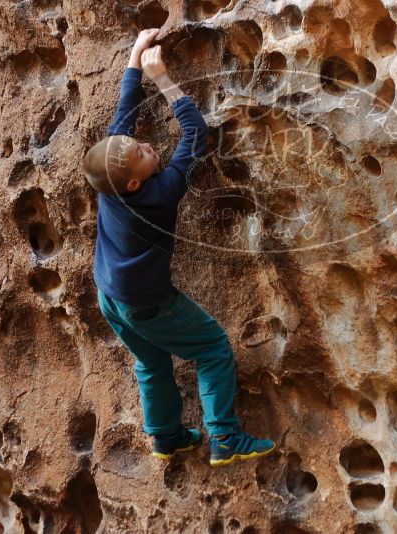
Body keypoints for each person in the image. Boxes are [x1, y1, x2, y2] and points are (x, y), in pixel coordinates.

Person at [81, 28, 275, 466]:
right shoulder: (163, 192)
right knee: (212, 349)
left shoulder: (108, 184)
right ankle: (224, 438)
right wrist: (164, 79)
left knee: (150, 364)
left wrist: (134, 57)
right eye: (144, 154)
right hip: (149, 303)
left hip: (109, 296)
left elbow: (124, 115)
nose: (148, 146)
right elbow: (194, 132)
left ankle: (166, 437)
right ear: (135, 181)